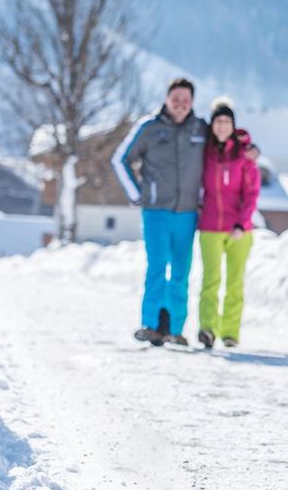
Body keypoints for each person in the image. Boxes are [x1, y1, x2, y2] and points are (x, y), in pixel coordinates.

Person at [111, 77, 208, 347]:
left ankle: (175, 329)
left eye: (185, 100)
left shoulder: (200, 129)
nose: (180, 104)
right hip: (156, 212)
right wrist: (136, 194)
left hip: (187, 213)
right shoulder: (149, 128)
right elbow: (120, 159)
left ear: (191, 103)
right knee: (156, 267)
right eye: (175, 99)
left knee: (181, 271)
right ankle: (151, 324)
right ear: (167, 99)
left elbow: (223, 149)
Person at [197, 97, 262, 349]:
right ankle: (207, 329)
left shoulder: (244, 156)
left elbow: (252, 192)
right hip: (210, 226)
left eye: (227, 121)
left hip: (239, 230)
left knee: (235, 282)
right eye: (218, 121)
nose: (222, 126)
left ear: (233, 125)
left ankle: (230, 333)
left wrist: (241, 223)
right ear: (212, 125)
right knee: (210, 281)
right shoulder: (205, 152)